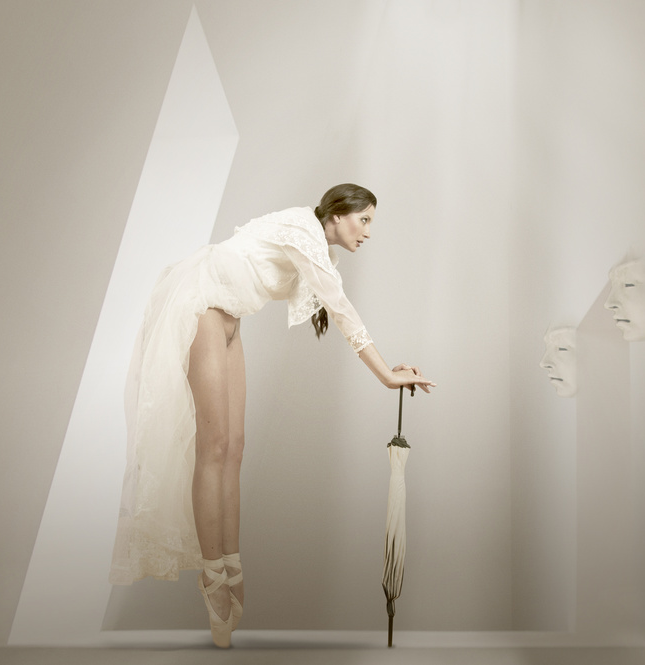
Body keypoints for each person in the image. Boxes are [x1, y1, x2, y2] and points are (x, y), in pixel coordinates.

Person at [109, 184, 435, 648]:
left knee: (235, 448)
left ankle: (231, 562)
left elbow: (337, 305)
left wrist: (390, 368)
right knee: (213, 446)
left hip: (229, 319)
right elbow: (343, 311)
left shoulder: (320, 252)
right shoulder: (304, 230)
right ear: (337, 214)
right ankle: (212, 575)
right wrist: (386, 375)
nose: (368, 232)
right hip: (201, 307)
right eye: (364, 219)